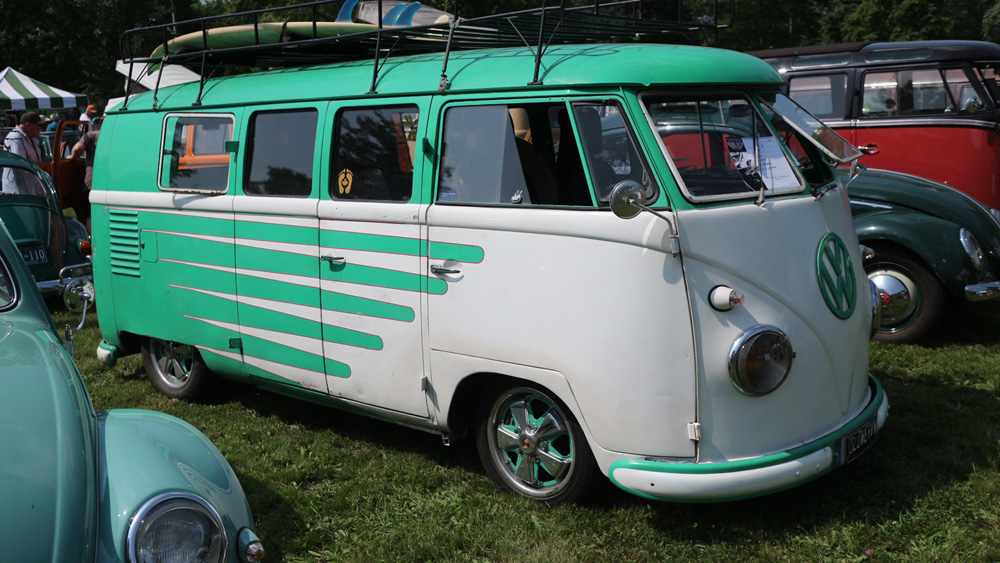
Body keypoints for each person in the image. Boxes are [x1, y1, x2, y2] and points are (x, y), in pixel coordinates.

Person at [69, 125, 99, 228]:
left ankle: (92, 240)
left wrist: (72, 157)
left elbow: (77, 148)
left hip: (92, 184)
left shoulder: (91, 135)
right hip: (115, 185)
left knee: (90, 216)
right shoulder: (118, 135)